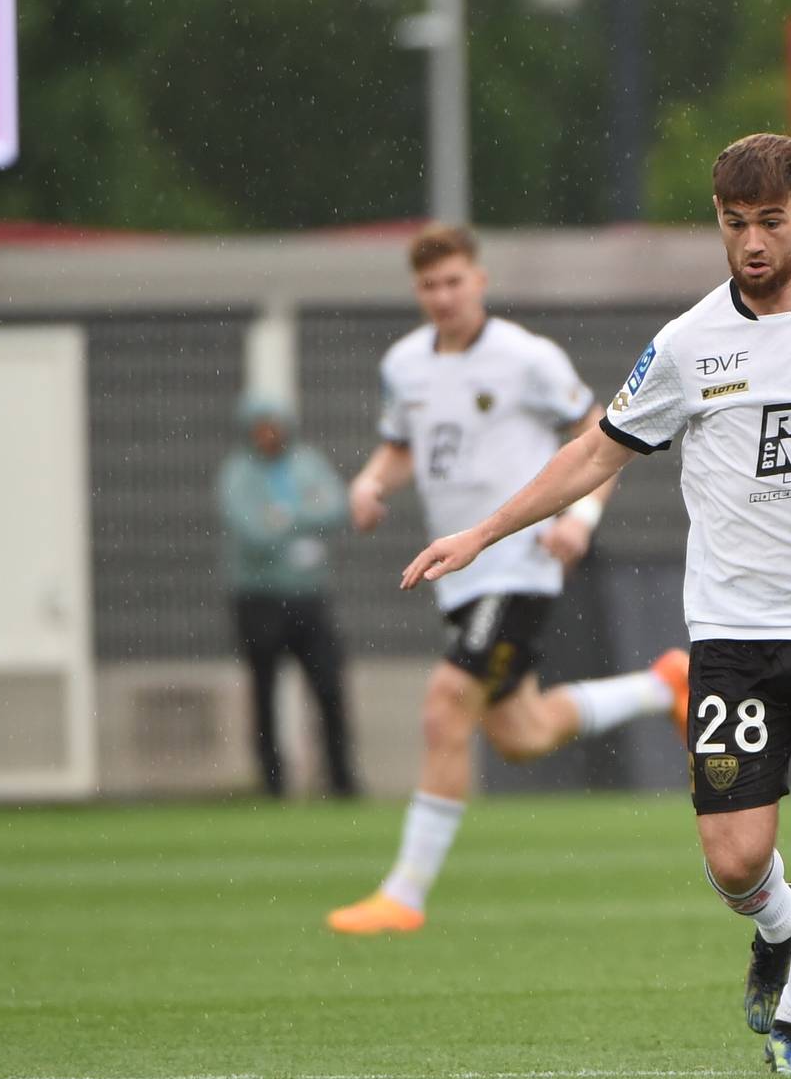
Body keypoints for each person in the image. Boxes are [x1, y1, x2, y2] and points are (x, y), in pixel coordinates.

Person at [396, 135, 791, 1073]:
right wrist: (484, 531)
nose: (752, 242)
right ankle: (776, 932)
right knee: (736, 859)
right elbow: (594, 452)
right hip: (736, 635)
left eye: (771, 221)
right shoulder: (686, 344)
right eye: (734, 222)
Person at [326, 224, 690, 936]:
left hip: (517, 563)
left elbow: (601, 433)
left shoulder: (527, 357)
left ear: (480, 281)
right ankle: (663, 684)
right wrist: (370, 482)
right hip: (458, 575)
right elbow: (405, 447)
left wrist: (581, 517)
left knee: (445, 704)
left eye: (454, 281)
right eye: (429, 285)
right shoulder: (404, 364)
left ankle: (404, 893)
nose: (443, 296)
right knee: (521, 732)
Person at [218, 396, 359, 798]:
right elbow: (251, 531)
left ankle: (341, 779)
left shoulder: (307, 463)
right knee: (265, 690)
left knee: (328, 684)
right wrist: (303, 520)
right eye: (260, 427)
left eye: (274, 426)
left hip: (309, 595)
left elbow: (336, 507)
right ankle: (272, 782)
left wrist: (285, 517)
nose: (268, 435)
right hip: (259, 597)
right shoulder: (238, 473)